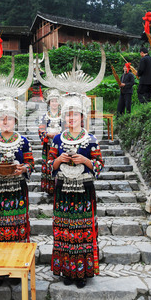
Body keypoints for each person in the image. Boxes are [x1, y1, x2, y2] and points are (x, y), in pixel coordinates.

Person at [48, 93, 104, 289]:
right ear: (64, 117)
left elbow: (99, 165)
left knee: (83, 232)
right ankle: (67, 271)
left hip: (84, 191)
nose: (71, 118)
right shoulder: (57, 139)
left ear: (82, 117)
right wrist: (59, 160)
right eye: (68, 115)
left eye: (75, 115)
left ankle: (82, 272)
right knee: (64, 231)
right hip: (63, 191)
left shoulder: (91, 140)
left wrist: (86, 161)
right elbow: (49, 166)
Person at [0, 97, 34, 286]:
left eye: (9, 118)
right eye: (2, 118)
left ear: (15, 121)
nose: (5, 122)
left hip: (17, 191)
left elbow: (30, 163)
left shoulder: (24, 142)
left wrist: (24, 168)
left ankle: (16, 269)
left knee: (17, 229)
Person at [38, 88, 62, 195]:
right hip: (48, 146)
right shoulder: (45, 116)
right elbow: (41, 129)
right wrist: (47, 135)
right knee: (49, 164)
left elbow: (67, 129)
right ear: (49, 103)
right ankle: (50, 188)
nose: (54, 103)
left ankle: (60, 186)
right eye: (52, 101)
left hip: (60, 146)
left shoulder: (63, 115)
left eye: (56, 101)